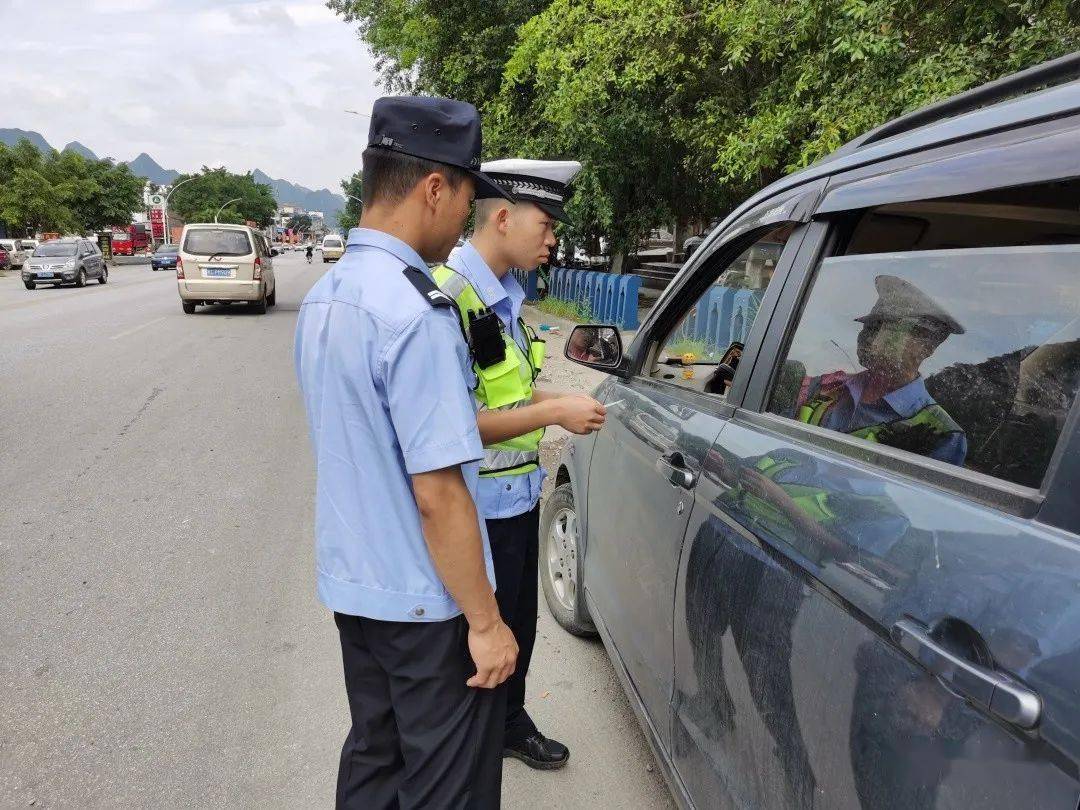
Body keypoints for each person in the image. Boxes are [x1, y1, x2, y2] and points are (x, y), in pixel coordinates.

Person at [294, 95, 519, 810]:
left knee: (375, 762)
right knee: (448, 787)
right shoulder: (412, 313)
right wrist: (485, 624)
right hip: (427, 611)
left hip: (357, 596)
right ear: (433, 187)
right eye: (464, 200)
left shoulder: (327, 296)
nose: (463, 222)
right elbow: (438, 491)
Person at [432, 158, 606, 770]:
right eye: (547, 224)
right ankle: (473, 746)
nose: (554, 240)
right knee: (481, 639)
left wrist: (561, 399)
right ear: (503, 217)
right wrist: (554, 415)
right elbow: (453, 424)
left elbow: (505, 395)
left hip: (517, 499)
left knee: (522, 631)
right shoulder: (450, 298)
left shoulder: (504, 295)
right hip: (474, 509)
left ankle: (508, 723)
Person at [792, 274, 968, 465]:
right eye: (870, 327)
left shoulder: (942, 434)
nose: (871, 339)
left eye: (888, 330)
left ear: (926, 347)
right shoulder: (826, 386)